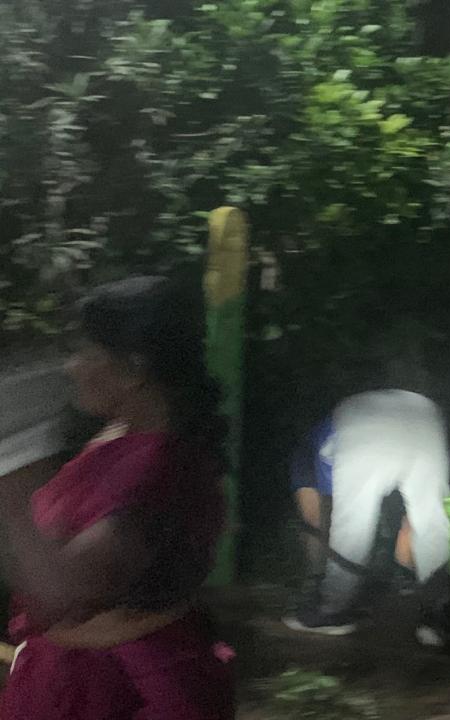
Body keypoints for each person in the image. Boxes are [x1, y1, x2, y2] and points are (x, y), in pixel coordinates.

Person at [0, 276, 235, 718]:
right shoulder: (118, 435)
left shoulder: (158, 465)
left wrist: (12, 489)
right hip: (81, 676)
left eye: (87, 353)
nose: (72, 367)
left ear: (133, 370)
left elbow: (61, 595)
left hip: (119, 692)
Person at [282, 389, 450, 649]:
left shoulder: (309, 455)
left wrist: (325, 572)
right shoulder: (322, 434)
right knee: (431, 520)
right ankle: (440, 616)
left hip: (360, 428)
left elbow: (322, 517)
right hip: (427, 419)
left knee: (351, 527)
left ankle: (331, 611)